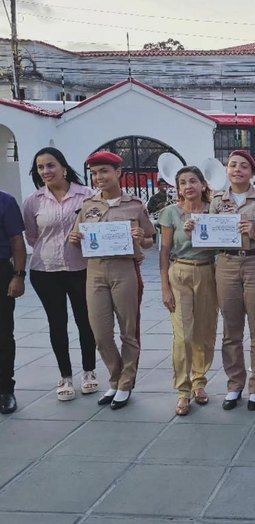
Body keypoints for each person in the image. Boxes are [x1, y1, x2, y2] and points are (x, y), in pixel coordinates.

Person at [69, 151, 155, 410]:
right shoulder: (88, 206)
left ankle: (125, 383)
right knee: (101, 332)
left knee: (129, 330)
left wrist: (141, 238)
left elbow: (150, 240)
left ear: (118, 172)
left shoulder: (135, 205)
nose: (99, 177)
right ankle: (116, 376)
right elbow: (76, 237)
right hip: (95, 271)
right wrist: (74, 239)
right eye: (94, 173)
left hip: (124, 269)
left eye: (104, 171)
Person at [22, 147, 98, 401]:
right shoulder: (33, 201)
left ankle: (89, 371)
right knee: (57, 324)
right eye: (41, 167)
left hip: (82, 269)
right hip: (46, 271)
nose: (46, 171)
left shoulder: (87, 196)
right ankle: (65, 376)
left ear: (63, 166)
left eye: (51, 165)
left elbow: (99, 227)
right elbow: (32, 237)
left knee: (85, 322)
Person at [210, 150, 255, 411]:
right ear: (226, 170)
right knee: (231, 330)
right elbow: (210, 234)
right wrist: (198, 230)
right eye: (232, 165)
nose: (237, 170)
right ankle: (234, 384)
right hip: (226, 264)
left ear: (252, 172)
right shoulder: (217, 200)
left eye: (243, 166)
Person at [158, 166, 218, 416]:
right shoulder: (171, 213)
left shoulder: (214, 211)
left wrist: (207, 230)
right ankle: (183, 391)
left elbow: (225, 242)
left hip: (207, 272)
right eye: (182, 182)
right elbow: (164, 250)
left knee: (205, 332)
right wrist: (164, 286)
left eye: (193, 181)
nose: (188, 186)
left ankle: (199, 381)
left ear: (203, 185)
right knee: (183, 335)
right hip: (180, 272)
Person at [0, 191, 26, 415]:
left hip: (1, 272)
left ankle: (5, 390)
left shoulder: (5, 202)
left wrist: (18, 275)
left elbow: (17, 240)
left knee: (3, 334)